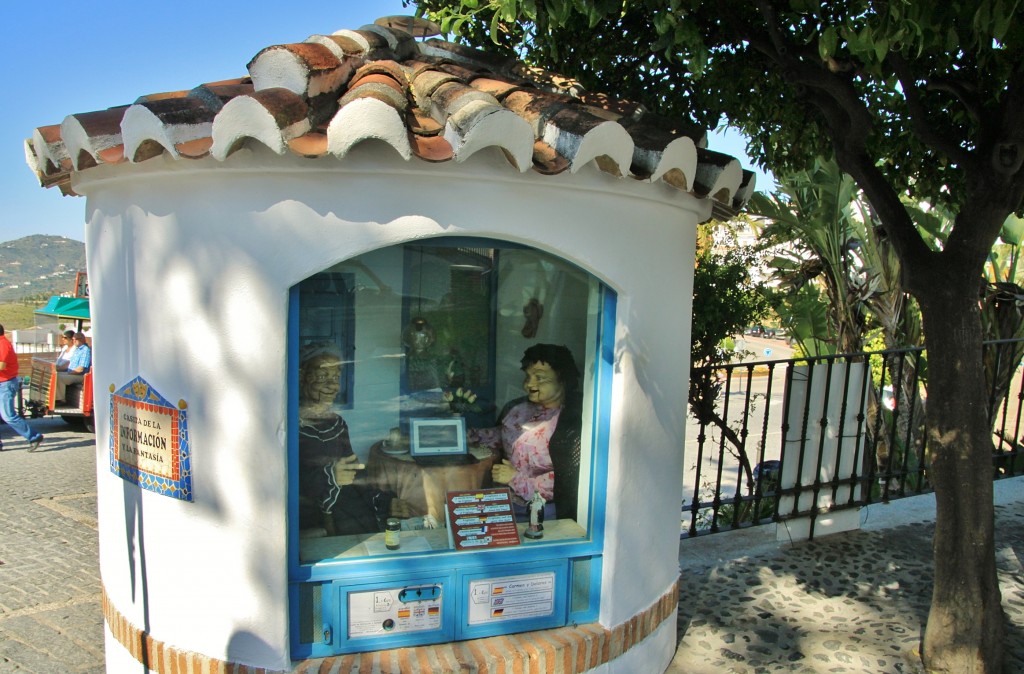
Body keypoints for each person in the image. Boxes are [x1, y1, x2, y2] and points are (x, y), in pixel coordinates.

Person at [297, 346, 402, 536]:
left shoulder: (337, 423)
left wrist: (383, 499)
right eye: (322, 377)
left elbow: (354, 471)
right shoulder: (292, 427)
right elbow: (290, 481)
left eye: (336, 378)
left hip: (346, 506)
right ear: (301, 377)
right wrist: (330, 476)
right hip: (310, 516)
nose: (333, 386)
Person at [470, 343, 582, 522]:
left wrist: (515, 479)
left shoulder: (570, 423)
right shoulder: (519, 409)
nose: (530, 384)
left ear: (563, 380)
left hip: (540, 512)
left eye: (540, 378)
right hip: (504, 502)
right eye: (528, 376)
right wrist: (468, 436)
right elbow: (502, 436)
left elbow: (564, 480)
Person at [0, 324, 44, 452]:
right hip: (3, 383)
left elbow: (1, 366)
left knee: (8, 416)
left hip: (5, 384)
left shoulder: (2, 345)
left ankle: (34, 437)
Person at [55, 332, 91, 403]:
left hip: (80, 375)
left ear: (82, 339)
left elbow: (81, 369)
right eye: (73, 339)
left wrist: (69, 373)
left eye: (76, 339)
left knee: (59, 377)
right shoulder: (77, 349)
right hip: (73, 373)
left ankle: (60, 399)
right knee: (55, 374)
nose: (73, 341)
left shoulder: (85, 350)